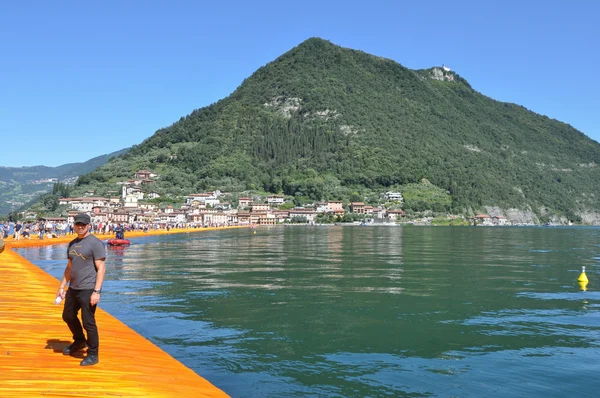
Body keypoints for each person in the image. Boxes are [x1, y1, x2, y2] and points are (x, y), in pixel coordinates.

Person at [56, 213, 106, 366]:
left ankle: (93, 354)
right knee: (68, 316)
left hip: (88, 289)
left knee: (88, 321)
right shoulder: (71, 244)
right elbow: (69, 267)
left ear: (89, 225)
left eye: (83, 224)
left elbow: (101, 268)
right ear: (74, 225)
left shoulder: (95, 243)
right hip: (73, 288)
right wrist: (62, 286)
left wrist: (96, 292)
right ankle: (79, 341)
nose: (80, 226)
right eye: (78, 224)